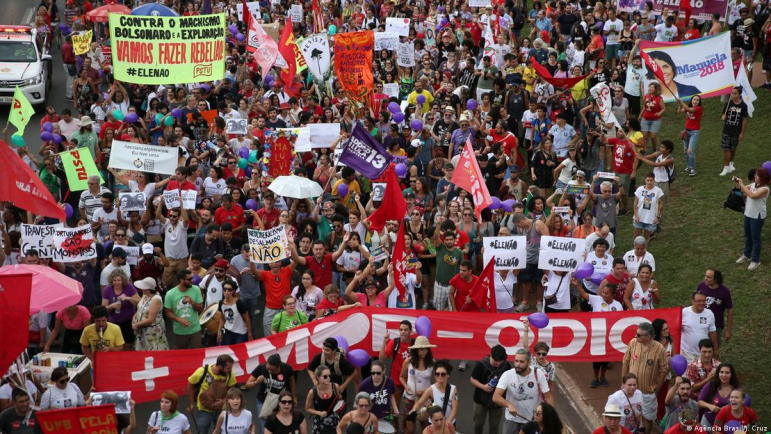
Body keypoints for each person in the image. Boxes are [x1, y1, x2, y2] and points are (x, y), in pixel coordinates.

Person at [620, 322, 668, 434]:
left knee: (647, 419)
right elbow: (625, 362)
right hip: (630, 391)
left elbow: (664, 370)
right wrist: (623, 383)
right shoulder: (633, 343)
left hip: (648, 392)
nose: (636, 336)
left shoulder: (660, 349)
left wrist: (658, 389)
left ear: (649, 336)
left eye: (639, 335)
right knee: (628, 417)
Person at [493, 349, 554, 434]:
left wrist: (551, 417)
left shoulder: (538, 374)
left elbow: (548, 396)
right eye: (516, 361)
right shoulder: (507, 375)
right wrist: (509, 405)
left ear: (528, 362)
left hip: (531, 420)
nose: (518, 364)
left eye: (521, 362)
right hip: (511, 419)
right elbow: (496, 396)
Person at [244, 354, 295, 434]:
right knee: (264, 425)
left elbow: (292, 380)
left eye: (273, 370)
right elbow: (247, 385)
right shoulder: (261, 368)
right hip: (263, 402)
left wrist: (293, 396)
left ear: (279, 365)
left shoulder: (286, 368)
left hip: (281, 402)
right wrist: (256, 382)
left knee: (280, 424)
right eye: (268, 369)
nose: (270, 371)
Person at [470, 345, 510, 434]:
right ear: (490, 355)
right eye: (496, 361)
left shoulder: (506, 366)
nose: (498, 363)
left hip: (497, 401)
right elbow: (472, 379)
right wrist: (483, 386)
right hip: (480, 400)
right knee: (478, 424)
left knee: (495, 426)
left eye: (500, 361)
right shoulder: (481, 364)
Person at [734, 168, 769, 270]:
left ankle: (755, 260)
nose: (755, 177)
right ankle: (746, 254)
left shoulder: (765, 189)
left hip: (757, 217)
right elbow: (742, 190)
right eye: (755, 175)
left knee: (755, 238)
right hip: (748, 214)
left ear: (762, 178)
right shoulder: (753, 185)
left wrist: (742, 184)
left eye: (757, 176)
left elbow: (752, 196)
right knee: (748, 235)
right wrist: (738, 184)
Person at [400, 336, 436, 434]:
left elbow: (438, 381)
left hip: (425, 398)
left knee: (424, 422)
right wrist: (406, 387)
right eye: (420, 349)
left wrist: (425, 392)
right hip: (410, 397)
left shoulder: (432, 362)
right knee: (409, 422)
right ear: (416, 350)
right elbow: (401, 377)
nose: (423, 352)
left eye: (425, 349)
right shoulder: (408, 361)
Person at [164, 269, 204, 350]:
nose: (192, 281)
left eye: (192, 278)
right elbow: (167, 312)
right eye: (189, 279)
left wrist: (192, 302)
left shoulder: (196, 289)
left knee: (197, 354)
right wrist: (178, 319)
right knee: (181, 354)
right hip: (180, 331)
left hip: (195, 329)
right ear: (181, 280)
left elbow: (200, 308)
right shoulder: (170, 294)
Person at [378, 320, 414, 411]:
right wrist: (384, 342)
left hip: (410, 383)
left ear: (411, 331)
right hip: (396, 382)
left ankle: (405, 426)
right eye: (401, 330)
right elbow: (381, 359)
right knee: (394, 410)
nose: (403, 332)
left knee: (409, 411)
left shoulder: (415, 344)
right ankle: (395, 426)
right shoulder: (395, 342)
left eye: (405, 330)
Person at [410, 360, 457, 425]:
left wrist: (448, 423)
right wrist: (413, 410)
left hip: (448, 423)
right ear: (435, 375)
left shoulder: (453, 389)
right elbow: (419, 403)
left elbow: (454, 408)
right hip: (434, 424)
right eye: (437, 374)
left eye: (443, 374)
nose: (440, 376)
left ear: (448, 375)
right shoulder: (430, 389)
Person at [696, 268, 733, 343]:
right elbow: (695, 302)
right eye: (705, 276)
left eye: (709, 277)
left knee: (713, 349)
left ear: (716, 280)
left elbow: (730, 310)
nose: (705, 278)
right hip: (701, 322)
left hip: (716, 325)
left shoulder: (724, 291)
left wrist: (728, 330)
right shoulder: (701, 286)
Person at [132, 277, 169, 351]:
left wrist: (136, 325)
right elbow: (140, 309)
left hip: (152, 332)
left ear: (148, 289)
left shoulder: (156, 300)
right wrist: (134, 319)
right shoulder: (144, 295)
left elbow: (151, 319)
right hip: (142, 331)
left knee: (154, 351)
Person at [698, 363, 740, 427]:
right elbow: (700, 402)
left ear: (731, 374)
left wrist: (728, 408)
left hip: (727, 424)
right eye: (721, 372)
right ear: (718, 373)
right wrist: (709, 406)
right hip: (708, 421)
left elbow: (741, 404)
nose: (724, 375)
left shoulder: (736, 388)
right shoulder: (711, 385)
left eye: (727, 373)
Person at [681, 291, 718, 362]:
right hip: (687, 352)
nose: (701, 303)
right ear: (693, 301)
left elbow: (713, 332)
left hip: (704, 353)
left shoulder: (709, 313)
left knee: (703, 372)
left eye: (703, 301)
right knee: (688, 372)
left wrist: (715, 349)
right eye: (698, 301)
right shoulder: (684, 312)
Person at [719, 87, 748, 177]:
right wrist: (723, 117)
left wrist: (742, 133)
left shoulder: (743, 106)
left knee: (733, 148)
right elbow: (724, 115)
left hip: (736, 131)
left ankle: (731, 163)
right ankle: (726, 167)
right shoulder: (729, 103)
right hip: (727, 130)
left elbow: (744, 120)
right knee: (726, 148)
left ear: (740, 94)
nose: (732, 95)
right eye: (732, 93)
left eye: (735, 93)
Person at [305, 365, 343, 434]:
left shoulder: (335, 387)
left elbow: (339, 399)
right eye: (325, 376)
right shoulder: (312, 392)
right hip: (319, 421)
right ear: (318, 377)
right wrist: (319, 413)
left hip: (334, 419)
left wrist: (341, 405)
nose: (328, 378)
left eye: (329, 376)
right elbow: (307, 408)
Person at [217, 279, 253, 344]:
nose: (227, 291)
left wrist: (249, 334)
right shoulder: (221, 303)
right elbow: (222, 319)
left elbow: (247, 318)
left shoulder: (239, 303)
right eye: (225, 289)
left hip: (240, 333)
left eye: (229, 289)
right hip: (228, 332)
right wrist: (219, 332)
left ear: (233, 291)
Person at [632, 173, 665, 243]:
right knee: (636, 236)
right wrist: (636, 215)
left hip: (650, 219)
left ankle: (644, 251)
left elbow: (661, 205)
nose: (649, 182)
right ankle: (636, 250)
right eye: (648, 180)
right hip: (639, 217)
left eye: (651, 180)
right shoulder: (640, 189)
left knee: (647, 237)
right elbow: (635, 203)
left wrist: (658, 217)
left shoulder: (658, 191)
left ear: (654, 180)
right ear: (645, 180)